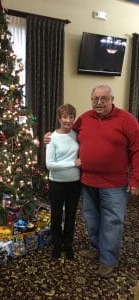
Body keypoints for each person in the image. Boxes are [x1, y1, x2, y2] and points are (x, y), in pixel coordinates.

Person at [44, 84, 139, 277]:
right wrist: (50, 136)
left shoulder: (127, 120)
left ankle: (108, 259)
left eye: (104, 98)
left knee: (112, 222)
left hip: (114, 184)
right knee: (92, 220)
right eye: (95, 98)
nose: (99, 102)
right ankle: (97, 249)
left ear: (112, 99)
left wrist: (136, 180)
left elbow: (137, 150)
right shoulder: (84, 119)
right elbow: (67, 132)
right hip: (86, 182)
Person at [46, 104, 81, 260]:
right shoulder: (52, 138)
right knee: (56, 215)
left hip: (75, 183)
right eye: (65, 117)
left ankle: (68, 244)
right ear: (59, 118)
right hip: (57, 183)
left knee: (71, 215)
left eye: (71, 116)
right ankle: (56, 244)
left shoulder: (77, 135)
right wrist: (72, 163)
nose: (68, 120)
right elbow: (50, 165)